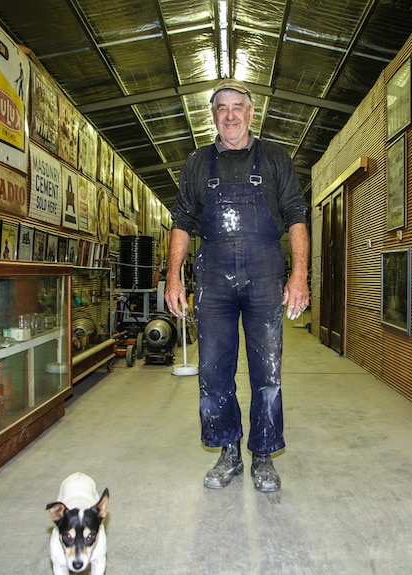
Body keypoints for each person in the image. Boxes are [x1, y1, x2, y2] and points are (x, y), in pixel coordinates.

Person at [165, 78, 309, 493]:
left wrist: (298, 276)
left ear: (250, 112)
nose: (230, 115)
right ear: (214, 116)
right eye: (221, 108)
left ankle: (262, 454)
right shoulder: (197, 164)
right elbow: (182, 222)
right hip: (213, 280)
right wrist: (173, 276)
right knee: (213, 370)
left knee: (267, 370)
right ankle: (229, 452)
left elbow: (297, 217)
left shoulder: (277, 159)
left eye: (237, 107)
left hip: (265, 276)